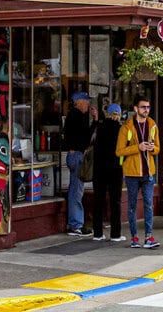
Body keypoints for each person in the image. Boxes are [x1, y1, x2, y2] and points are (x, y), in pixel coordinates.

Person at [116, 94, 161, 248]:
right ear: (136, 109)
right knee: (132, 205)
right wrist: (138, 148)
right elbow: (119, 151)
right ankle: (134, 237)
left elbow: (158, 149)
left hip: (148, 172)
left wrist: (151, 148)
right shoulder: (126, 127)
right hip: (132, 173)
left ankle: (149, 237)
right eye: (143, 107)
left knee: (149, 204)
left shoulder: (153, 125)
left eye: (148, 107)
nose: (146, 110)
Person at [61, 91, 97, 236]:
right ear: (79, 102)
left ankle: (75, 222)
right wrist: (95, 120)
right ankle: (76, 224)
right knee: (77, 191)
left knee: (75, 189)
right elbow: (87, 138)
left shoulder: (72, 116)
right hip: (76, 155)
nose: (88, 104)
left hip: (73, 154)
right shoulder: (78, 116)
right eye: (86, 101)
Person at [91, 103, 124, 242]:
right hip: (116, 168)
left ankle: (97, 233)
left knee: (98, 200)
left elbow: (93, 145)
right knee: (115, 201)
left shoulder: (100, 127)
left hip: (99, 169)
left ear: (107, 113)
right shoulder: (121, 129)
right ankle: (115, 234)